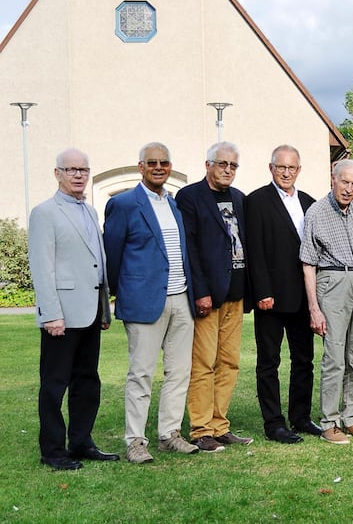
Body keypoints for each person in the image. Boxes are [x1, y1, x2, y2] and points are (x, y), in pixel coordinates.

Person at [104, 142, 199, 463]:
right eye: (152, 162)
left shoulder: (173, 204)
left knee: (179, 372)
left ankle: (169, 434)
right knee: (141, 374)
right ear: (140, 167)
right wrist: (124, 292)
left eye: (164, 163)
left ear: (170, 167)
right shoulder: (124, 204)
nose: (159, 167)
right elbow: (112, 257)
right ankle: (135, 441)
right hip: (144, 304)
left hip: (181, 300)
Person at [28, 148, 119, 470]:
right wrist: (51, 314)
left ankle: (81, 442)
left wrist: (104, 310)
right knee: (54, 385)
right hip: (62, 316)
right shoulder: (45, 213)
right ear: (57, 174)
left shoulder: (90, 212)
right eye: (71, 170)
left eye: (83, 169)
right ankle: (53, 451)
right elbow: (42, 267)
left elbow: (97, 263)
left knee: (87, 382)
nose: (79, 175)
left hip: (90, 312)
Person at [175, 141, 253, 451]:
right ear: (208, 165)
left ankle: (220, 425)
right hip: (208, 296)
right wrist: (201, 291)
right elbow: (189, 248)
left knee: (229, 363)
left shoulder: (239, 199)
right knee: (203, 363)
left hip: (236, 294)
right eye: (222, 164)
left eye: (233, 165)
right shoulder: (190, 197)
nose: (228, 170)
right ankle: (201, 428)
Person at [245, 144, 322, 444]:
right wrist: (262, 291)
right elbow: (255, 249)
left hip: (305, 296)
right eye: (281, 167)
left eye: (292, 168)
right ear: (271, 168)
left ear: (299, 170)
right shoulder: (257, 201)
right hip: (272, 297)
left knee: (304, 360)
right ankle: (274, 423)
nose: (287, 173)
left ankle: (301, 417)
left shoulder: (309, 202)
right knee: (269, 362)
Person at [299, 159, 353, 444]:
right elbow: (308, 263)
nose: (349, 189)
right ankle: (329, 422)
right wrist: (313, 308)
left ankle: (352, 418)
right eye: (345, 182)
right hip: (332, 280)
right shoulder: (316, 212)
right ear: (333, 179)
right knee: (334, 356)